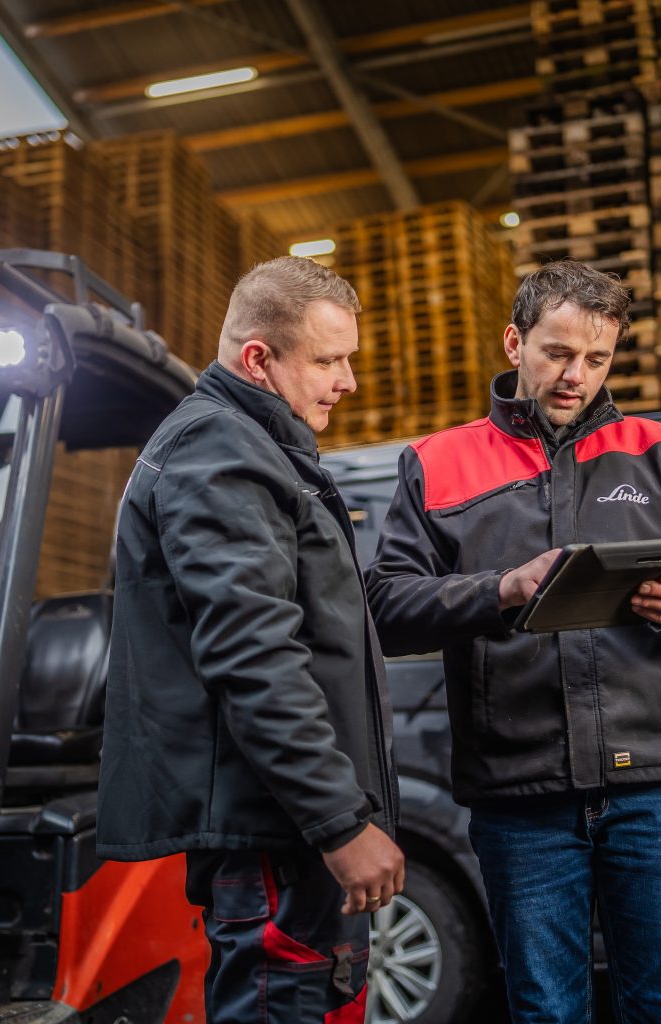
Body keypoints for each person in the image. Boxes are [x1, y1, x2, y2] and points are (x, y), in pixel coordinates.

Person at [366, 259, 661, 1023]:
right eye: (558, 352)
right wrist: (500, 589)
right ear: (515, 341)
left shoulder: (658, 451)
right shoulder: (437, 463)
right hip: (521, 797)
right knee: (545, 1010)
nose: (577, 374)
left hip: (654, 790)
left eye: (598, 358)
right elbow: (383, 605)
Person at [99, 256, 402, 1023]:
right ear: (259, 359)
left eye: (350, 360)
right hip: (279, 831)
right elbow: (254, 656)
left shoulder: (259, 449)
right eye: (329, 361)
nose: (347, 382)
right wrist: (340, 820)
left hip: (288, 824)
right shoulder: (221, 453)